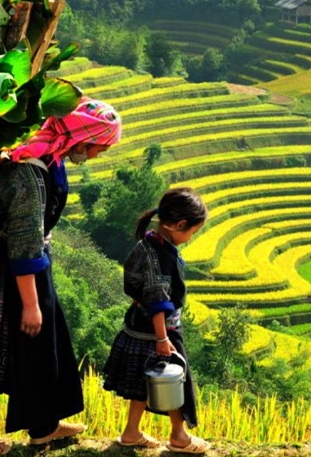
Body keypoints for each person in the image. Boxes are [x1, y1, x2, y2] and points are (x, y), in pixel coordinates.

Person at [0, 98, 122, 456]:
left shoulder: (49, 158)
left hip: (27, 266)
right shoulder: (27, 172)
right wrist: (32, 304)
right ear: (84, 138)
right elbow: (23, 242)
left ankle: (44, 425)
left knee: (42, 349)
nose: (98, 155)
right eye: (100, 146)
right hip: (3, 270)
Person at [102, 187, 211, 454]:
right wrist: (163, 338)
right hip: (159, 330)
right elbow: (156, 298)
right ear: (179, 225)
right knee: (174, 378)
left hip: (139, 325)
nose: (190, 237)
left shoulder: (149, 243)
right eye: (192, 232)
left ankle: (131, 432)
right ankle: (179, 437)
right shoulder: (157, 256)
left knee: (144, 382)